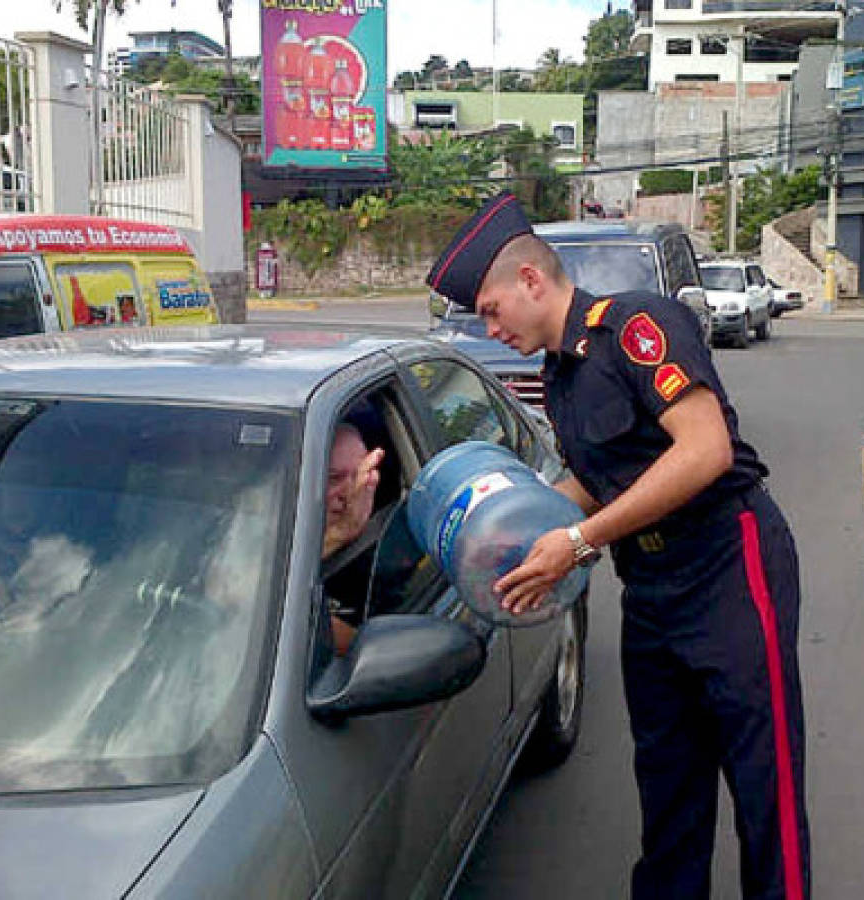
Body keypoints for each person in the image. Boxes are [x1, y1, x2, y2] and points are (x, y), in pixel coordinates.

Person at [426, 191, 810, 899]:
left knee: (763, 771)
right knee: (666, 773)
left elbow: (704, 451)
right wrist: (504, 528)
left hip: (728, 559)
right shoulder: (560, 372)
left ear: (530, 281)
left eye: (488, 309)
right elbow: (599, 479)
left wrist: (574, 542)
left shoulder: (637, 325)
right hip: (650, 580)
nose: (488, 329)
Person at [322, 422, 385, 656]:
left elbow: (363, 654)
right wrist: (336, 536)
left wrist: (342, 533)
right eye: (333, 478)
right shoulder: (257, 520)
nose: (350, 492)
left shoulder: (383, 550)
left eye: (360, 475)